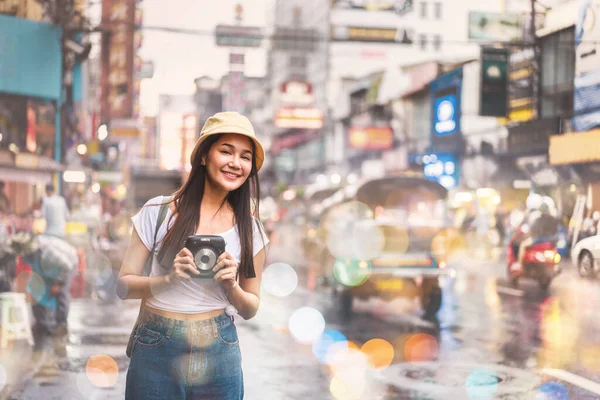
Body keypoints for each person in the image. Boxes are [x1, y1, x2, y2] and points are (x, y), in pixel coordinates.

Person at [118, 112, 269, 399]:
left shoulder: (251, 229)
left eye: (245, 157)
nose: (235, 163)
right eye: (226, 151)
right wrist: (167, 279)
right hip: (155, 345)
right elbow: (122, 286)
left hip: (219, 348)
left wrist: (231, 286)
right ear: (203, 156)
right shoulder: (158, 211)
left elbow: (250, 308)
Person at [6, 231, 78, 359]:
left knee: (60, 294)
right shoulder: (28, 254)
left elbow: (66, 267)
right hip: (45, 267)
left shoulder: (48, 253)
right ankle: (42, 322)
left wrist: (58, 283)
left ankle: (60, 326)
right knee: (37, 290)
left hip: (66, 264)